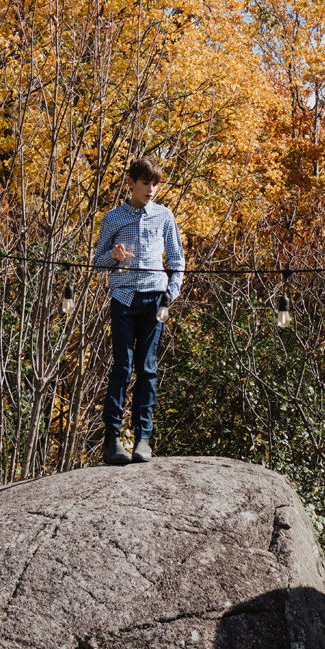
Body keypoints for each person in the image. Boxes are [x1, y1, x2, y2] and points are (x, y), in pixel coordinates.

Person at [92, 157, 185, 465]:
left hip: (156, 300)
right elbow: (97, 262)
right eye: (146, 183)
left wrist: (169, 295)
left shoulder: (164, 216)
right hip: (124, 297)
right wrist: (113, 256)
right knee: (122, 367)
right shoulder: (113, 218)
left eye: (156, 183)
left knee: (148, 369)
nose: (151, 189)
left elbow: (177, 260)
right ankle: (113, 439)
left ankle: (143, 438)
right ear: (131, 182)